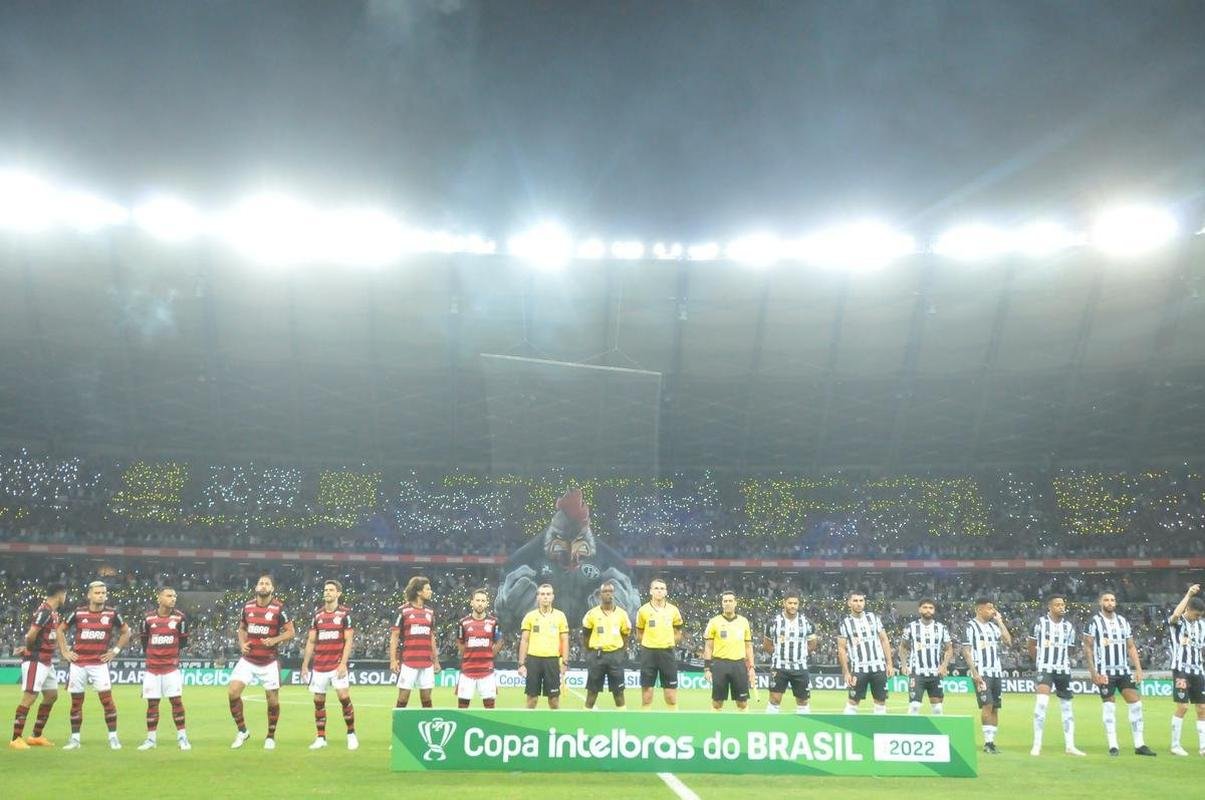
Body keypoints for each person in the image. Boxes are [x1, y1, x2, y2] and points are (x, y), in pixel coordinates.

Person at [58, 580, 130, 750]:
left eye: (103, 593)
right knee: (76, 702)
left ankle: (113, 737)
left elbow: (126, 631)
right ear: (89, 595)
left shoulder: (112, 614)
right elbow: (60, 630)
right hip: (78, 663)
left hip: (99, 664)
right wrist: (64, 652)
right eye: (97, 593)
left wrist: (115, 651)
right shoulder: (78, 613)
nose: (101, 596)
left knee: (107, 701)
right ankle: (75, 739)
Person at [228, 574, 294, 750]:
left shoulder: (279, 608)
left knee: (272, 702)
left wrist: (274, 640)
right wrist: (242, 644)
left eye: (267, 584)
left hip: (269, 661)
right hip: (248, 659)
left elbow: (290, 632)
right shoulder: (247, 606)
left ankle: (270, 736)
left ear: (272, 589)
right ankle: (242, 731)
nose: (263, 586)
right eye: (260, 583)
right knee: (233, 693)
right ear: (256, 587)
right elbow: (242, 628)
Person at [300, 579, 357, 751]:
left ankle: (351, 734)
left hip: (336, 664)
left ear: (338, 593)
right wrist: (305, 665)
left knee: (343, 697)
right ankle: (321, 737)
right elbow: (311, 641)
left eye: (331, 590)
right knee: (318, 701)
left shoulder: (345, 615)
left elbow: (348, 641)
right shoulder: (317, 615)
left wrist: (343, 664)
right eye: (325, 590)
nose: (327, 592)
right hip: (319, 666)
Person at [9, 583, 66, 750]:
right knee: (29, 697)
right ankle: (16, 738)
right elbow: (31, 634)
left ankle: (36, 735)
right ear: (60, 594)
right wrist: (28, 649)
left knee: (51, 695)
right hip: (36, 660)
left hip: (47, 661)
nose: (66, 598)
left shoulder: (52, 613)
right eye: (65, 594)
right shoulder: (45, 612)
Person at [1029, 594, 1085, 756]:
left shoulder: (1069, 627)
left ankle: (1070, 745)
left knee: (1067, 707)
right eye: (1058, 605)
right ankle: (1037, 744)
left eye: (1063, 604)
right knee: (1041, 705)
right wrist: (1039, 663)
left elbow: (1070, 649)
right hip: (1045, 669)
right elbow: (1031, 645)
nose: (1062, 607)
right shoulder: (1040, 623)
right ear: (1050, 607)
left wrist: (1061, 659)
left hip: (1063, 670)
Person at [136, 587, 191, 751]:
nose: (173, 598)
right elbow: (145, 641)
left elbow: (183, 643)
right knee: (152, 703)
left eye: (174, 596)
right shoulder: (147, 618)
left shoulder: (180, 618)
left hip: (171, 668)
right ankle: (151, 740)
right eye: (169, 595)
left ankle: (182, 737)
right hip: (152, 669)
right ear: (159, 598)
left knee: (176, 701)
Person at [964, 598, 1011, 753]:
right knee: (987, 705)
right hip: (982, 673)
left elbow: (1008, 641)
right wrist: (975, 672)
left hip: (996, 672)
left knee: (995, 707)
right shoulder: (970, 626)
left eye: (993, 609)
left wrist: (1000, 622)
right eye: (990, 608)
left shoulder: (993, 626)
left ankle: (992, 742)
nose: (993, 611)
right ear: (979, 609)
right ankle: (987, 742)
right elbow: (967, 651)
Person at [837, 591, 894, 714]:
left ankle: (879, 731)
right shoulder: (845, 623)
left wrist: (889, 664)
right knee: (853, 703)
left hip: (878, 668)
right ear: (849, 603)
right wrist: (846, 672)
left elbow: (884, 640)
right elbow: (841, 649)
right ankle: (848, 730)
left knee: (880, 703)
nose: (858, 604)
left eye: (861, 601)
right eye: (855, 601)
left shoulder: (873, 618)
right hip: (859, 669)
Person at [762, 590, 817, 714]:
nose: (792, 606)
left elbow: (813, 644)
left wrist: (802, 654)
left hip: (800, 667)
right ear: (784, 603)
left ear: (798, 604)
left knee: (803, 701)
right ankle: (769, 728)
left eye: (795, 603)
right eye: (790, 603)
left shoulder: (807, 623)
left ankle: (803, 728)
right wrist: (779, 655)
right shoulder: (773, 622)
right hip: (779, 667)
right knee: (774, 700)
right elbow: (766, 645)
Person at [390, 576, 441, 709]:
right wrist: (393, 660)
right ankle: (399, 728)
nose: (431, 591)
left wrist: (435, 660)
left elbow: (431, 637)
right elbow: (394, 636)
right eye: (428, 589)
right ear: (418, 592)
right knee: (403, 697)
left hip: (426, 662)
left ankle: (427, 726)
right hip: (408, 661)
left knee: (427, 698)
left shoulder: (430, 612)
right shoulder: (403, 611)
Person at [581, 580, 632, 709]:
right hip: (597, 656)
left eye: (610, 591)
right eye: (605, 591)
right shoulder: (591, 614)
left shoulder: (622, 614)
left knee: (618, 693)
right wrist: (590, 653)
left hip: (615, 656)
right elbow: (586, 635)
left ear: (614, 594)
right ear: (600, 595)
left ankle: (623, 723)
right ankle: (586, 721)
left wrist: (620, 652)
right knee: (592, 692)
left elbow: (626, 635)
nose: (608, 594)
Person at [1167, 584, 1205, 756]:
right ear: (1188, 609)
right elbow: (1175, 615)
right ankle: (1175, 745)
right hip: (1181, 669)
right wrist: (1188, 594)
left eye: (1200, 616)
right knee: (1183, 707)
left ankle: (1203, 746)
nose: (1198, 618)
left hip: (1198, 670)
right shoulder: (1178, 623)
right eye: (1196, 615)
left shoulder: (1202, 625)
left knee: (1202, 708)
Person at [635, 577, 684, 711]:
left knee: (671, 696)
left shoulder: (673, 610)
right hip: (648, 654)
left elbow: (678, 632)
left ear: (666, 592)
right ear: (651, 591)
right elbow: (639, 633)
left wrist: (667, 642)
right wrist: (651, 642)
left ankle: (674, 727)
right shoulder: (643, 611)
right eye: (656, 588)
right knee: (647, 696)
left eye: (662, 588)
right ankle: (645, 727)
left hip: (667, 653)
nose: (659, 591)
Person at [518, 583, 569, 709]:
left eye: (548, 594)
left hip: (552, 661)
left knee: (554, 701)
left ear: (553, 597)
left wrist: (565, 663)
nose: (545, 597)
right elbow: (524, 640)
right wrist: (521, 664)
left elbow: (565, 640)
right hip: (533, 660)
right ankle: (527, 727)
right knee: (531, 700)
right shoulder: (530, 616)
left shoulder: (560, 616)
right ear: (537, 597)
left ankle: (554, 727)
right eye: (542, 594)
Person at [702, 590, 755, 712]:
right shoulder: (714, 622)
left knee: (742, 703)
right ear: (722, 603)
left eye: (730, 601)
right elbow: (708, 647)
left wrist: (751, 667)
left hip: (739, 664)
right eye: (725, 601)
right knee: (717, 703)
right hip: (720, 664)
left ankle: (742, 729)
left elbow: (748, 646)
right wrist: (707, 668)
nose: (728, 603)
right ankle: (715, 729)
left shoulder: (743, 621)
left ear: (735, 603)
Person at [899, 599, 953, 716]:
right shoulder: (911, 627)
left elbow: (949, 648)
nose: (928, 610)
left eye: (930, 608)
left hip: (935, 673)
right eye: (925, 607)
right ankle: (911, 733)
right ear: (919, 609)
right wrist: (904, 665)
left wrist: (944, 666)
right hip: (916, 673)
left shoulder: (941, 628)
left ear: (934, 610)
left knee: (938, 708)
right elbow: (903, 646)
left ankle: (938, 733)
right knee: (914, 706)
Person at [456, 588, 502, 708]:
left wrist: (490, 655)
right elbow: (460, 643)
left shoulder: (493, 622)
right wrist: (467, 656)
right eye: (477, 600)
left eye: (483, 600)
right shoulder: (463, 623)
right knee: (463, 707)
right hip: (467, 671)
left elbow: (499, 641)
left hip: (487, 671)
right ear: (472, 602)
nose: (480, 603)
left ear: (487, 603)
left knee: (490, 707)